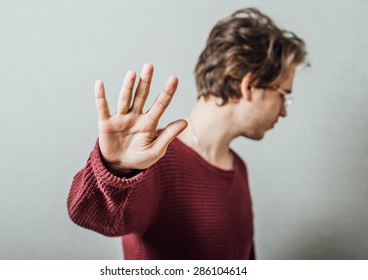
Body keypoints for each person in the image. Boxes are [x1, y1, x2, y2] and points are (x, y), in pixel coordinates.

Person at [67, 8, 308, 260]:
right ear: (249, 86)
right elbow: (89, 214)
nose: (283, 111)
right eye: (283, 95)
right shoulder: (150, 160)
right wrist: (114, 169)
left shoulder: (238, 168)